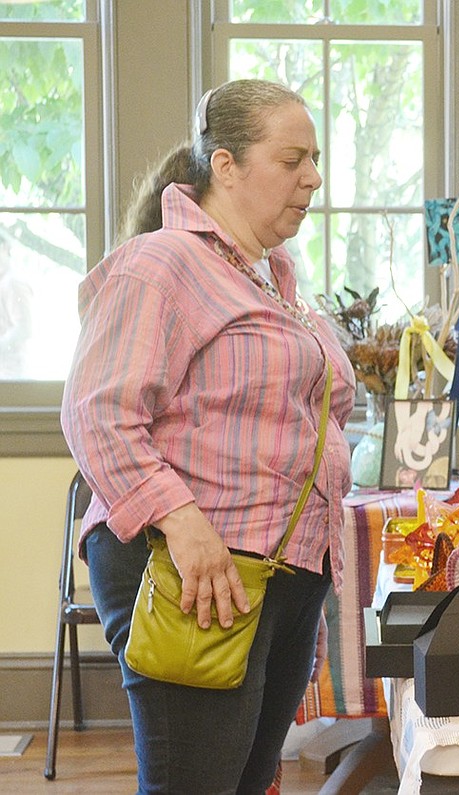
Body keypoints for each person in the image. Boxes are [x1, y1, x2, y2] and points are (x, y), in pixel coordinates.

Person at [61, 79, 356, 794]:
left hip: (278, 573)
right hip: (190, 566)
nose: (313, 177)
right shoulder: (161, 264)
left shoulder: (275, 279)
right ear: (225, 166)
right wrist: (183, 522)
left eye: (314, 159)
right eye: (292, 160)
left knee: (245, 784)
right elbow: (97, 412)